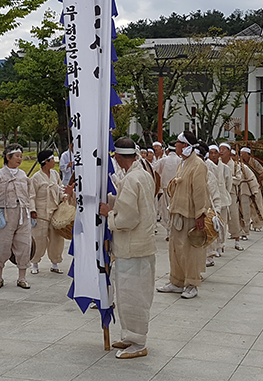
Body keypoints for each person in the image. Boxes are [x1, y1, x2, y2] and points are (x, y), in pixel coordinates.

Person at [98, 137, 156, 360]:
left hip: (135, 248)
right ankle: (131, 336)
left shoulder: (133, 178)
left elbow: (129, 218)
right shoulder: (141, 173)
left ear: (120, 157)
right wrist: (112, 203)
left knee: (134, 296)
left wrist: (109, 214)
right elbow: (130, 204)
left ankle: (139, 342)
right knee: (127, 294)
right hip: (138, 247)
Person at [157, 131, 209, 300]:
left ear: (185, 145)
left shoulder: (198, 164)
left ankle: (191, 284)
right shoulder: (183, 163)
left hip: (190, 214)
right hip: (177, 211)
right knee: (175, 249)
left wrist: (201, 214)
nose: (176, 145)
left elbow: (201, 191)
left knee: (189, 250)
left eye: (178, 143)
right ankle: (176, 281)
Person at [0, 144, 33, 289]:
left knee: (24, 245)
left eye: (21, 156)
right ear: (8, 157)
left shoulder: (23, 175)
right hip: (5, 214)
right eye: (17, 156)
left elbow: (30, 194)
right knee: (2, 245)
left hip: (23, 214)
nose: (20, 159)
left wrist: (32, 211)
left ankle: (22, 277)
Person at [28, 149, 65, 275]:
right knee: (39, 238)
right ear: (46, 161)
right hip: (41, 213)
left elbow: (60, 189)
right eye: (52, 159)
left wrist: (65, 196)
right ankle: (35, 263)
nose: (54, 162)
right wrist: (32, 210)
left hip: (54, 211)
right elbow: (31, 196)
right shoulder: (36, 178)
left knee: (56, 239)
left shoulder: (55, 174)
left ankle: (55, 263)